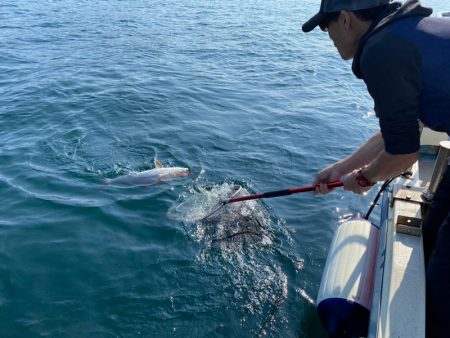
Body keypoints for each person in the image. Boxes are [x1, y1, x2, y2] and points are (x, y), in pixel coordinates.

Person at [301, 0, 450, 336]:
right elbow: (398, 131)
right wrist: (341, 168)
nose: (329, 36)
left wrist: (365, 178)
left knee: (444, 278)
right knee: (433, 224)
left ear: (346, 18)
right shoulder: (405, 33)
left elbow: (403, 154)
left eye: (328, 27)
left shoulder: (382, 51)